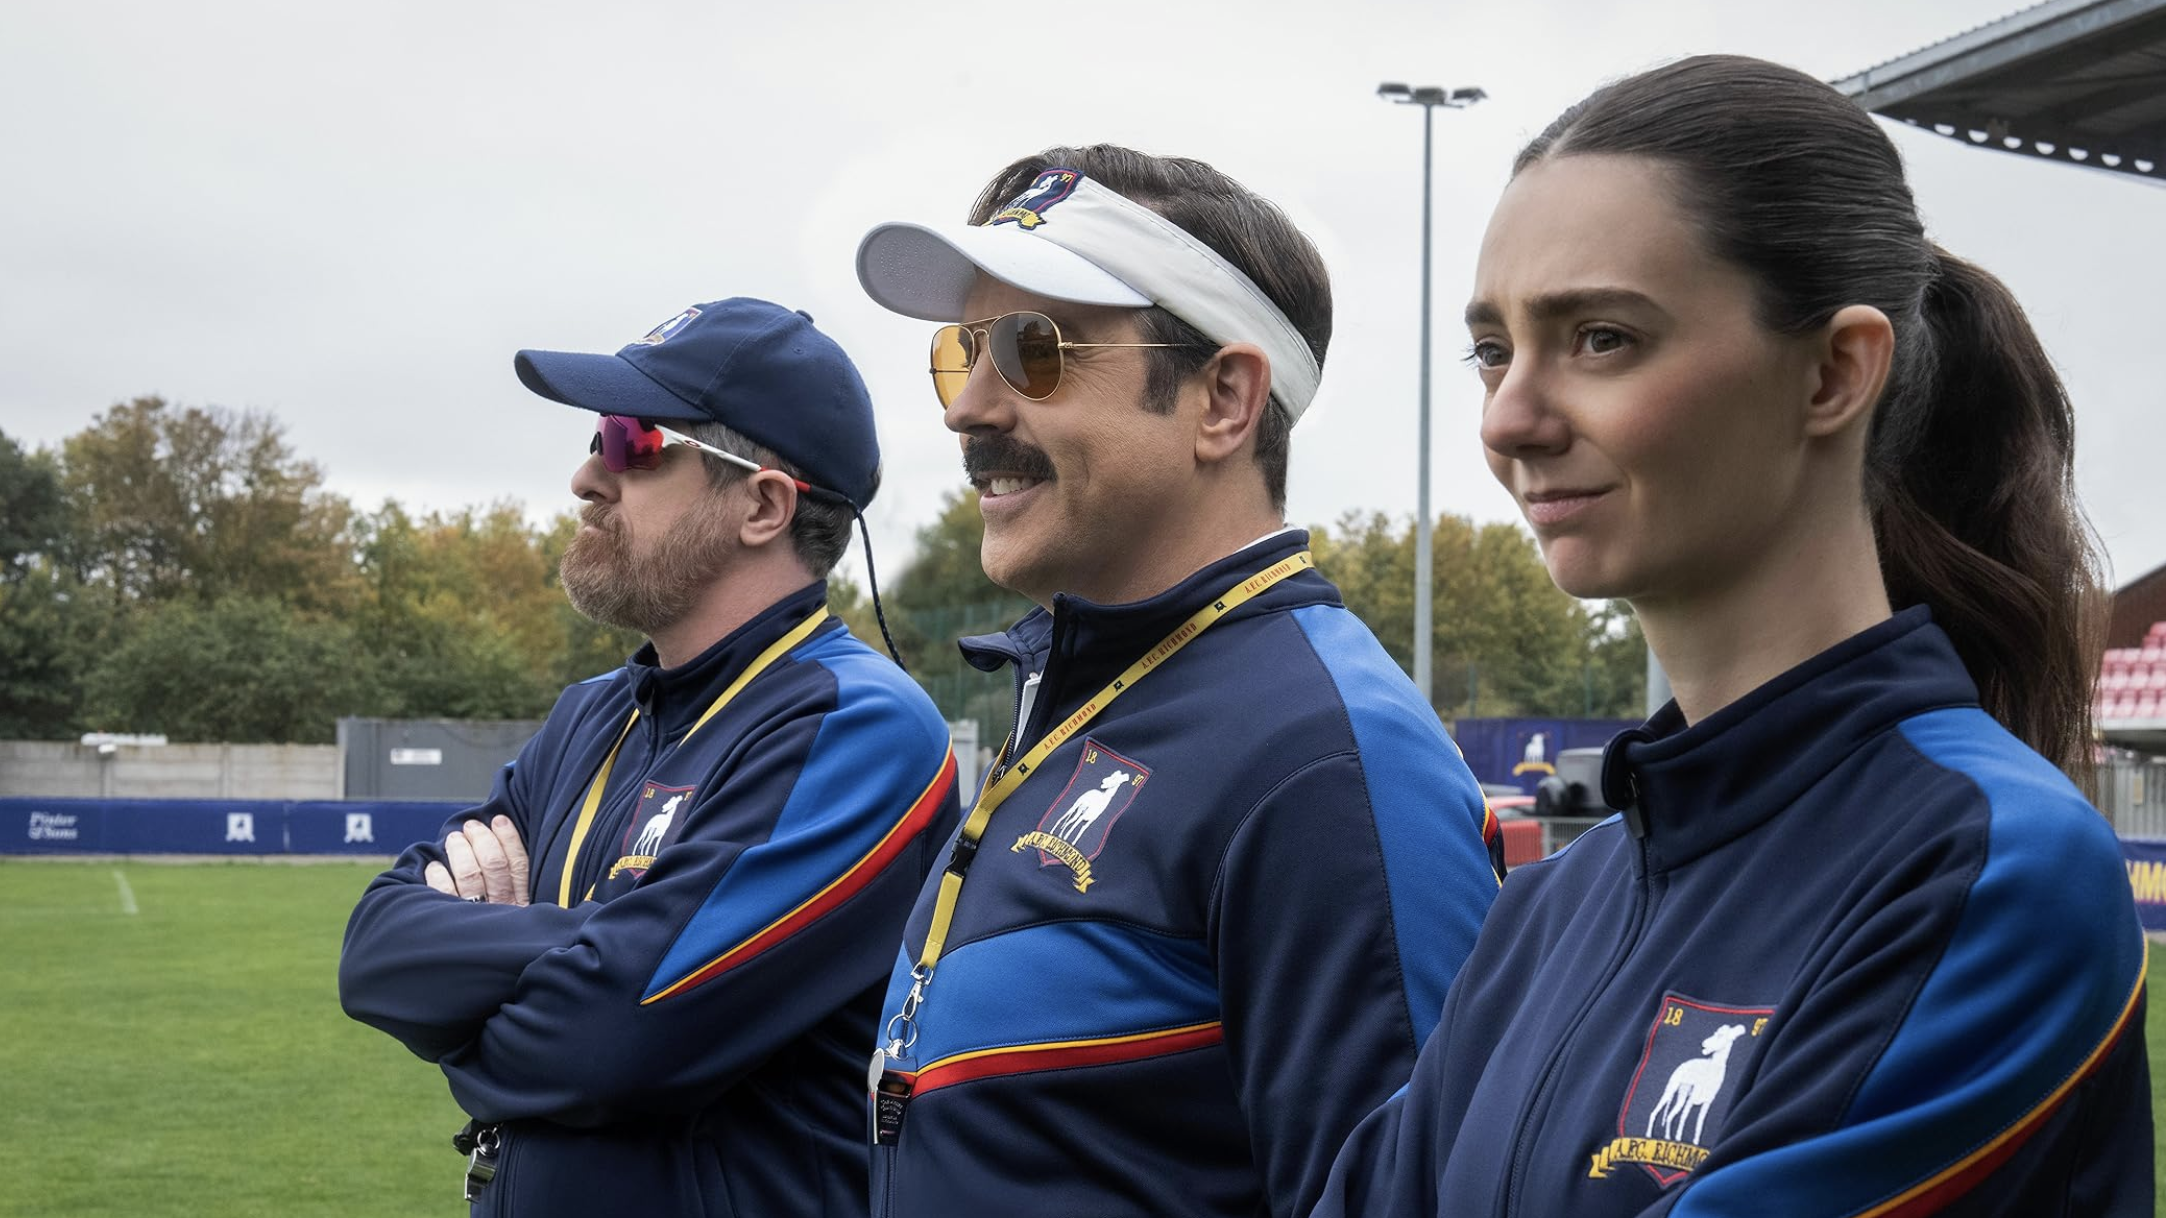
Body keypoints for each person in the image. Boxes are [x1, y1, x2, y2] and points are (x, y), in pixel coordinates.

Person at [1312, 55, 2151, 1218]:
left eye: (1601, 337)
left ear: (1833, 373)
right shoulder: (1549, 914)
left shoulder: (1988, 867)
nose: (1509, 419)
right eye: (1494, 350)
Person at [852, 146, 1505, 1218]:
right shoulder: (1091, 689)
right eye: (962, 351)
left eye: (1033, 350)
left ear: (1224, 400)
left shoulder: (1329, 760)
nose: (966, 407)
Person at [337, 298, 962, 1217]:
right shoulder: (591, 715)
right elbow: (376, 951)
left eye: (633, 441)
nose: (589, 475)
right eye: (599, 435)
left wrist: (471, 1016)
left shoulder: (856, 725)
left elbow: (604, 1043)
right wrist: (600, 938)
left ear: (761, 504)